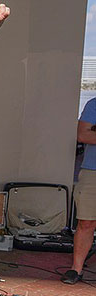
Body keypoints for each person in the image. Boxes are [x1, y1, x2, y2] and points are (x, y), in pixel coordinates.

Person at [66, 97, 96, 284]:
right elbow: (83, 135)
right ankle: (76, 270)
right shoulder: (94, 104)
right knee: (86, 222)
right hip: (93, 171)